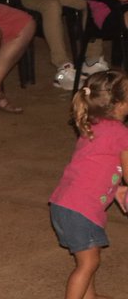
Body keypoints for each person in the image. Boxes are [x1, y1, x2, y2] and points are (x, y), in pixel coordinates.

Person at [49, 70, 128, 299]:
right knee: (89, 263)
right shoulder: (120, 133)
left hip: (66, 205)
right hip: (80, 211)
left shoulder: (93, 125)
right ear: (119, 103)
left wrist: (116, 189)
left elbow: (93, 169)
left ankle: (89, 296)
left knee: (88, 257)